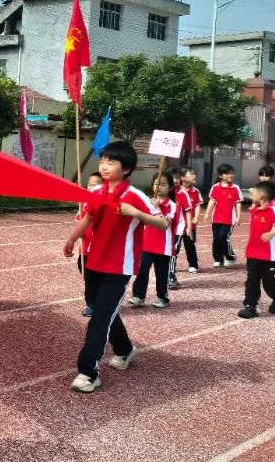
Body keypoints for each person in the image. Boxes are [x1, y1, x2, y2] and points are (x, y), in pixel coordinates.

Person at [63, 141, 167, 393]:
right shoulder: (97, 193)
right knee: (100, 308)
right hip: (93, 262)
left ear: (127, 169)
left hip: (119, 267)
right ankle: (126, 349)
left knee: (99, 318)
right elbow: (87, 218)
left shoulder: (135, 196)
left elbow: (162, 223)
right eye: (102, 160)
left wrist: (136, 213)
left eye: (111, 161)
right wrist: (72, 237)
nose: (104, 165)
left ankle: (88, 372)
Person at [129, 171, 177, 309]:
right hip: (146, 243)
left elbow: (165, 224)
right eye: (156, 183)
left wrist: (157, 207)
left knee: (161, 273)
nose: (158, 187)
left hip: (163, 246)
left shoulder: (172, 205)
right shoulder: (147, 202)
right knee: (142, 269)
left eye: (163, 184)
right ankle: (139, 296)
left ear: (171, 188)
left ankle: (162, 297)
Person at [237, 181, 275, 318]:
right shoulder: (254, 210)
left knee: (268, 282)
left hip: (268, 256)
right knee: (251, 281)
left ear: (262, 195)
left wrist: (271, 233)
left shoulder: (273, 209)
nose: (252, 194)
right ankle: (250, 306)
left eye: (254, 192)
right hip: (252, 254)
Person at [205, 164, 243, 267]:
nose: (231, 175)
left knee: (223, 237)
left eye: (232, 173)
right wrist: (207, 213)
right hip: (216, 218)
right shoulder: (215, 187)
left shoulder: (235, 188)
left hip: (229, 220)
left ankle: (230, 256)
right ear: (221, 175)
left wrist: (239, 216)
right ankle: (218, 259)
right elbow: (212, 201)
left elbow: (238, 203)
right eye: (228, 173)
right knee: (216, 238)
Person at [77, 172, 103, 317]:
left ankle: (91, 304)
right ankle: (95, 298)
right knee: (86, 273)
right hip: (85, 249)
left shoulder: (104, 204)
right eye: (90, 184)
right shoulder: (83, 203)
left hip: (98, 249)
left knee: (94, 278)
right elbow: (79, 222)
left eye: (97, 184)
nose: (93, 187)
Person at [168, 167, 192, 289]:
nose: (175, 180)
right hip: (164, 227)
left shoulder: (183, 194)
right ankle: (167, 274)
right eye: (172, 178)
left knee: (173, 250)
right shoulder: (163, 192)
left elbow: (188, 211)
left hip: (178, 228)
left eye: (177, 178)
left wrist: (188, 227)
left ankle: (171, 275)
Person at [180, 166, 203, 272]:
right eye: (192, 174)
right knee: (175, 246)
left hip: (190, 224)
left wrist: (196, 217)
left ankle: (193, 264)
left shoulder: (195, 191)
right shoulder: (176, 191)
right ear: (182, 178)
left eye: (194, 173)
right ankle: (171, 264)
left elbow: (198, 205)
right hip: (178, 225)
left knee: (190, 245)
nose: (195, 175)